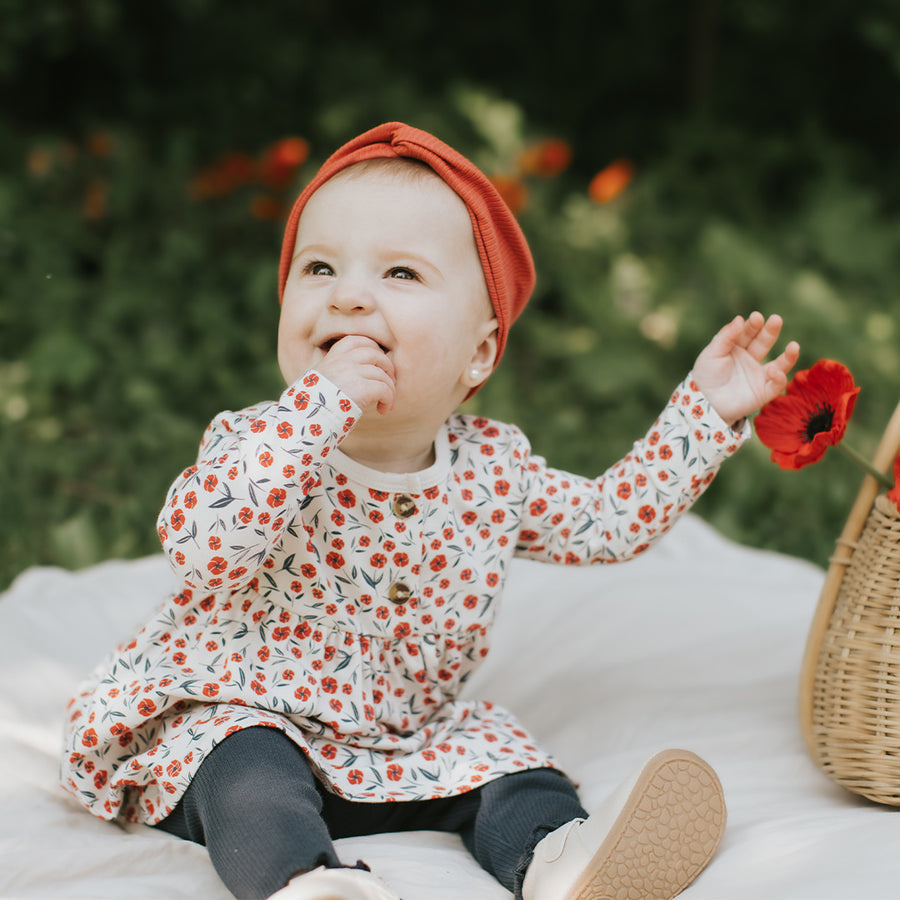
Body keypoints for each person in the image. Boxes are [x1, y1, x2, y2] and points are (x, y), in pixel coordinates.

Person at [61, 122, 800, 900]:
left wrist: (706, 416)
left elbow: (606, 523)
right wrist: (318, 413)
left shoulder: (493, 469)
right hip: (245, 711)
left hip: (401, 743)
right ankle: (309, 883)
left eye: (400, 273)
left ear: (478, 353)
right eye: (319, 268)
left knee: (507, 759)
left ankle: (559, 858)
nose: (348, 294)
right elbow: (201, 545)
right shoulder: (264, 443)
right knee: (244, 767)